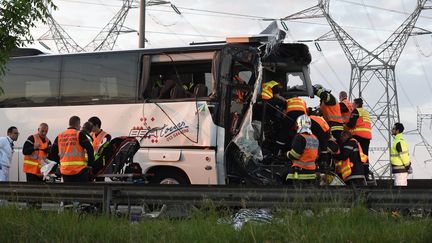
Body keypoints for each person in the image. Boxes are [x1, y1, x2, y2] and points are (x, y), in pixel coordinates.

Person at [49, 116, 94, 182]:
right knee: (82, 191)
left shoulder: (60, 136)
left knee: (69, 191)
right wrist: (90, 165)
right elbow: (90, 149)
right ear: (78, 124)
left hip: (65, 171)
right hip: (80, 171)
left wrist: (59, 163)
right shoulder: (79, 134)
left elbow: (52, 152)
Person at [285, 115, 319, 183]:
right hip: (312, 173)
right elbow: (317, 155)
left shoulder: (299, 137)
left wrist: (287, 154)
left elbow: (295, 155)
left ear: (298, 124)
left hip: (299, 173)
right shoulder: (315, 138)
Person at [346, 98, 372, 178]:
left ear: (356, 104)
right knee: (365, 154)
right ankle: (366, 172)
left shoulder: (356, 111)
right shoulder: (366, 112)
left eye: (353, 104)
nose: (352, 105)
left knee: (356, 153)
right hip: (367, 136)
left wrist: (344, 124)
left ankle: (357, 171)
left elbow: (351, 124)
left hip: (358, 135)